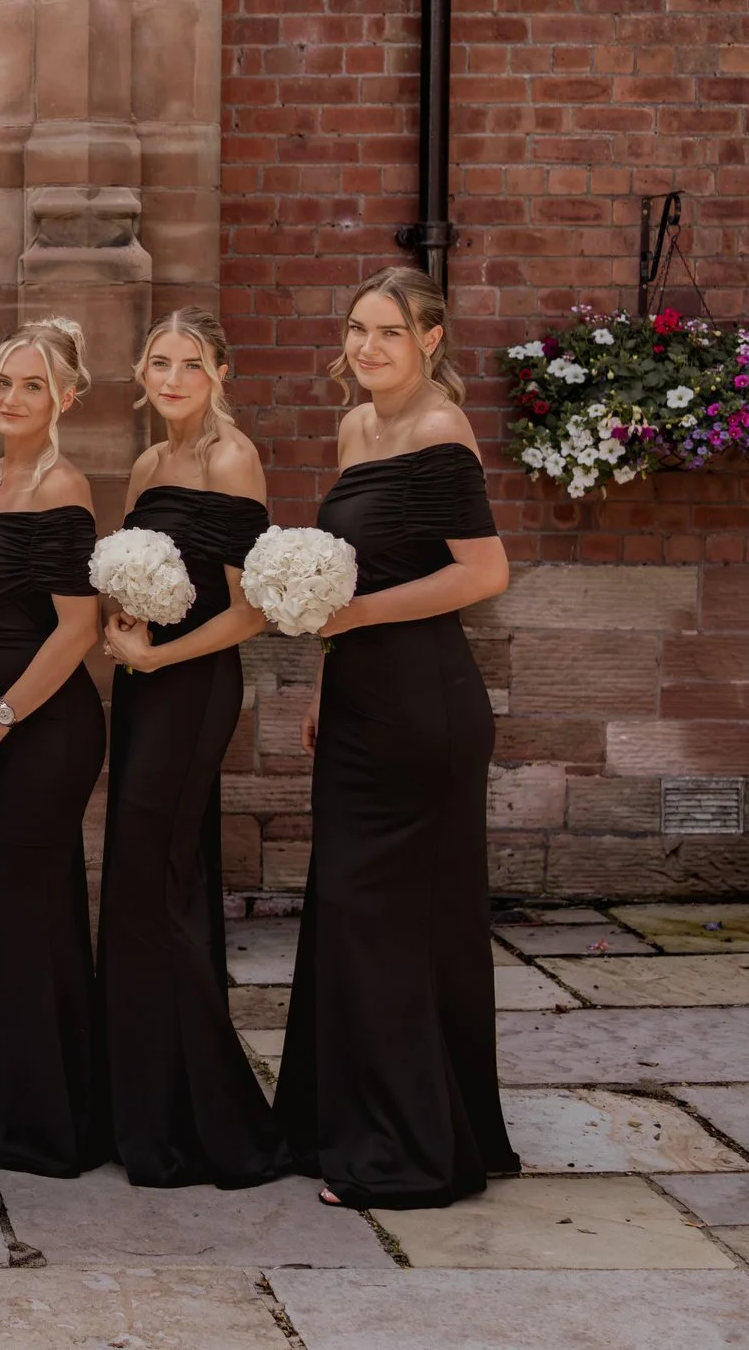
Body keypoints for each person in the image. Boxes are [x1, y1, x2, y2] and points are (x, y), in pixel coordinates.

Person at [278, 266, 515, 1210]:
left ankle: (411, 1153)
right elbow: (345, 579)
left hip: (426, 706)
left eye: (387, 331)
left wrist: (361, 616)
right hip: (362, 699)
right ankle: (353, 1120)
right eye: (356, 330)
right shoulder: (355, 429)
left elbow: (485, 572)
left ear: (431, 338)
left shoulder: (438, 431)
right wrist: (324, 685)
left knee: (391, 922)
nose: (366, 348)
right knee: (352, 913)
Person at [97, 308, 289, 1188]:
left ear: (220, 372)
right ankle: (142, 1104)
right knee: (139, 879)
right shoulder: (145, 463)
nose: (171, 378)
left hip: (195, 683)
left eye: (191, 364)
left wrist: (155, 653)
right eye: (159, 362)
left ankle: (207, 1121)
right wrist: (123, 622)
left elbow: (248, 609)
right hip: (143, 683)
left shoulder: (231, 456)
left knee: (162, 877)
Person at [0, 318, 107, 1176]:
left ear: (65, 399)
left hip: (43, 724)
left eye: (34, 386)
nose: (13, 399)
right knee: (1, 908)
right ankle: (4, 1103)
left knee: (31, 903)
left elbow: (77, 628)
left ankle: (49, 1123)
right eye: (5, 383)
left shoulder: (65, 486)